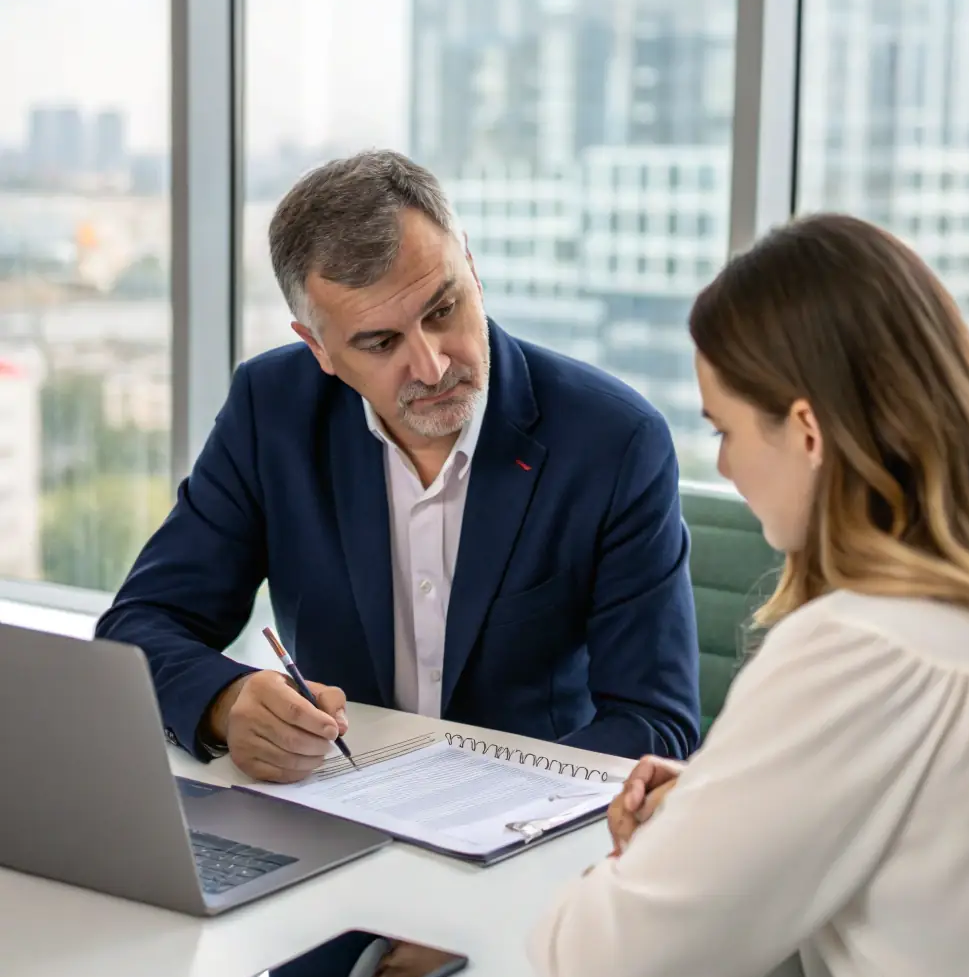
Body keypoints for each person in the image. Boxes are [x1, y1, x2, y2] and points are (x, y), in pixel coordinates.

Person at [528, 214, 969, 977]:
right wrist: (733, 800)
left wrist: (685, 845)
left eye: (722, 428)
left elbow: (595, 954)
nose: (720, 463)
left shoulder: (862, 647)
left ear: (805, 428)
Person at [96, 150, 700, 780]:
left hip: (526, 835)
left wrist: (487, 801)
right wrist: (227, 703)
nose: (434, 366)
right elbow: (137, 628)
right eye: (381, 343)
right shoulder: (271, 411)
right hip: (334, 808)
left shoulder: (614, 441)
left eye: (443, 310)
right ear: (318, 347)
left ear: (470, 265)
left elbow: (656, 723)